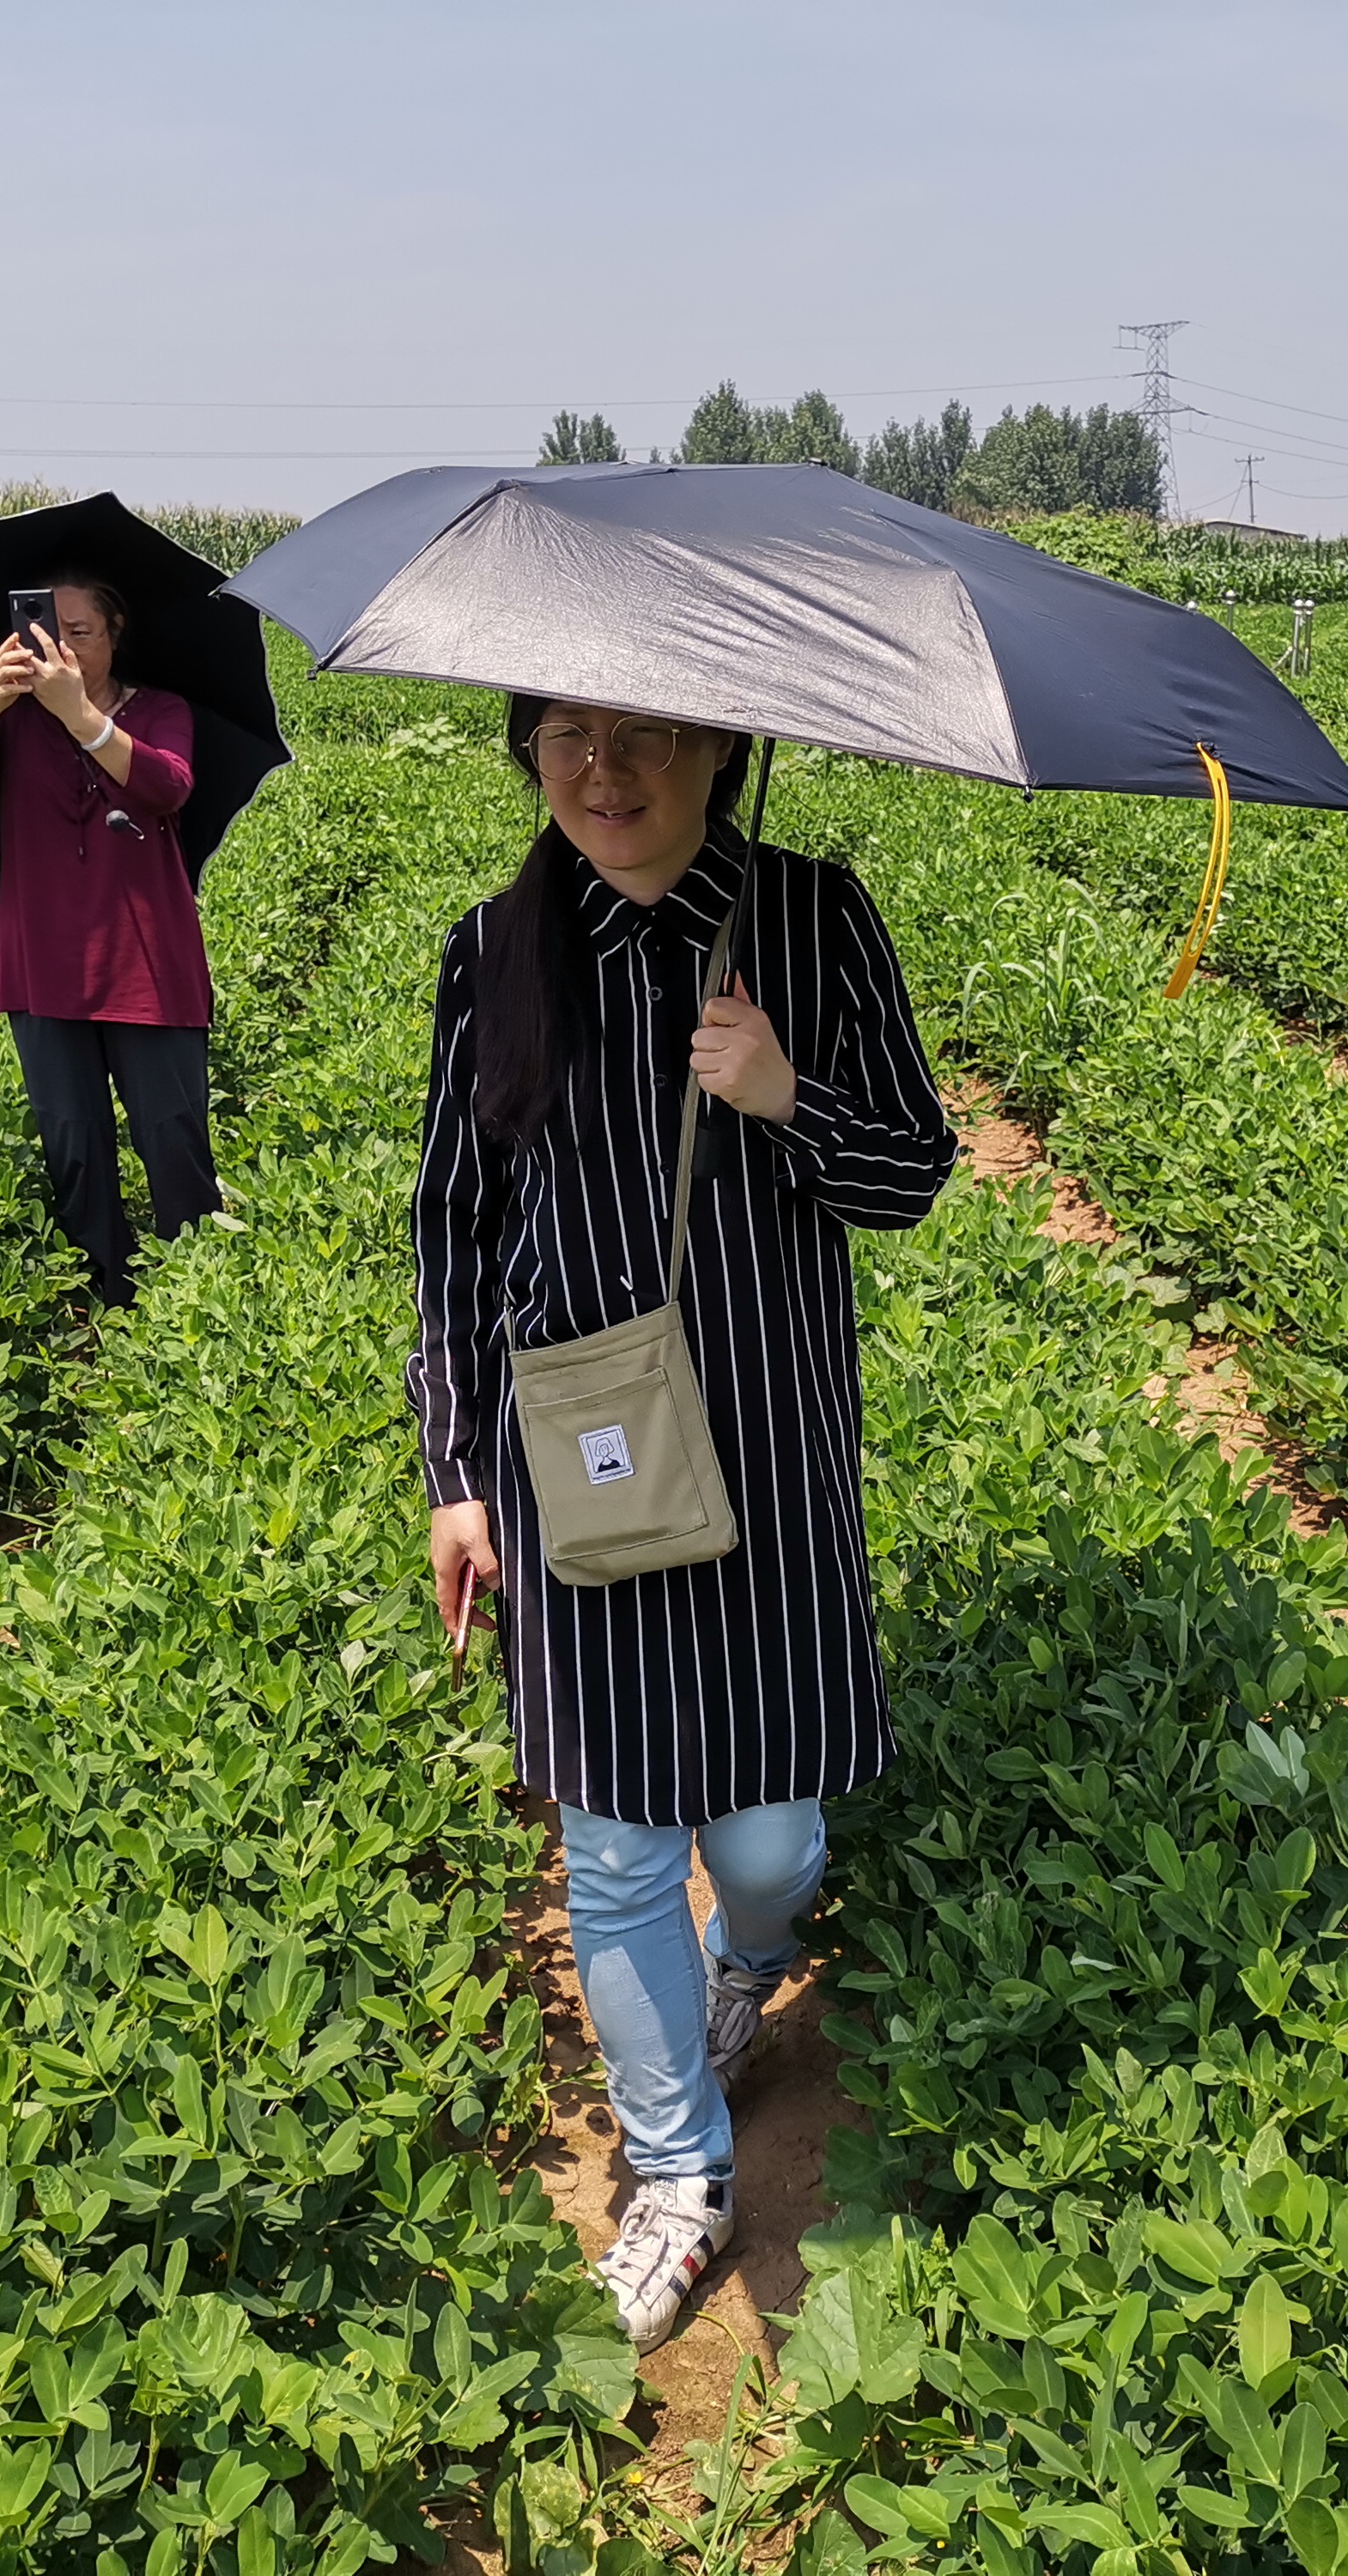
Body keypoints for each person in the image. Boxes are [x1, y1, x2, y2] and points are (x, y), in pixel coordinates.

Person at [410, 699, 955, 2353]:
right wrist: (454, 1469)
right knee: (617, 1841)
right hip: (573, 1455)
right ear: (526, 753)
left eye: (644, 730)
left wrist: (788, 1094)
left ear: (720, 745)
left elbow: (914, 1171)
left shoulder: (812, 915)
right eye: (565, 733)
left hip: (770, 1451)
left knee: (770, 1843)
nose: (603, 769)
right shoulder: (494, 949)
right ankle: (680, 2172)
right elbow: (451, 1219)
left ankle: (754, 1961)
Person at [0, 574, 219, 1304]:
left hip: (147, 965)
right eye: (49, 627)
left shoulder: (160, 711)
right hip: (44, 967)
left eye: (81, 631)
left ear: (114, 635)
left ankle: (200, 1302)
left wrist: (83, 718)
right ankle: (110, 1299)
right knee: (75, 1150)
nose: (63, 642)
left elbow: (166, 786)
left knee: (174, 1142)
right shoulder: (13, 722)